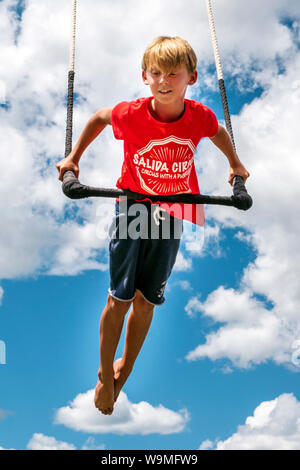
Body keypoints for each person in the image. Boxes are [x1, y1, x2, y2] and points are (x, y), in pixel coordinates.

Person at [56, 36, 250, 415]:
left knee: (147, 302)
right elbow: (98, 117)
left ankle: (122, 374)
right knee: (121, 298)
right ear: (144, 76)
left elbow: (218, 133)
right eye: (156, 73)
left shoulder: (199, 116)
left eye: (173, 74)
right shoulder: (131, 114)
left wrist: (235, 164)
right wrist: (73, 158)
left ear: (190, 78)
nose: (163, 81)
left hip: (171, 209)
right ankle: (104, 373)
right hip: (133, 206)